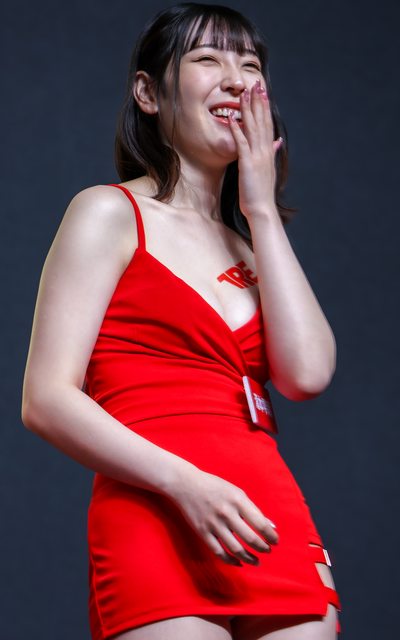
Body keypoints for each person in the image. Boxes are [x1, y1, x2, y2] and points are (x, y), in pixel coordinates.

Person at [21, 3, 342, 639]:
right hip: (158, 508)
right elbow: (46, 399)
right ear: (148, 93)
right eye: (207, 59)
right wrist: (186, 484)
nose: (236, 80)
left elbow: (306, 375)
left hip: (265, 512)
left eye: (250, 65)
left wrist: (261, 209)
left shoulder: (253, 247)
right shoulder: (108, 213)